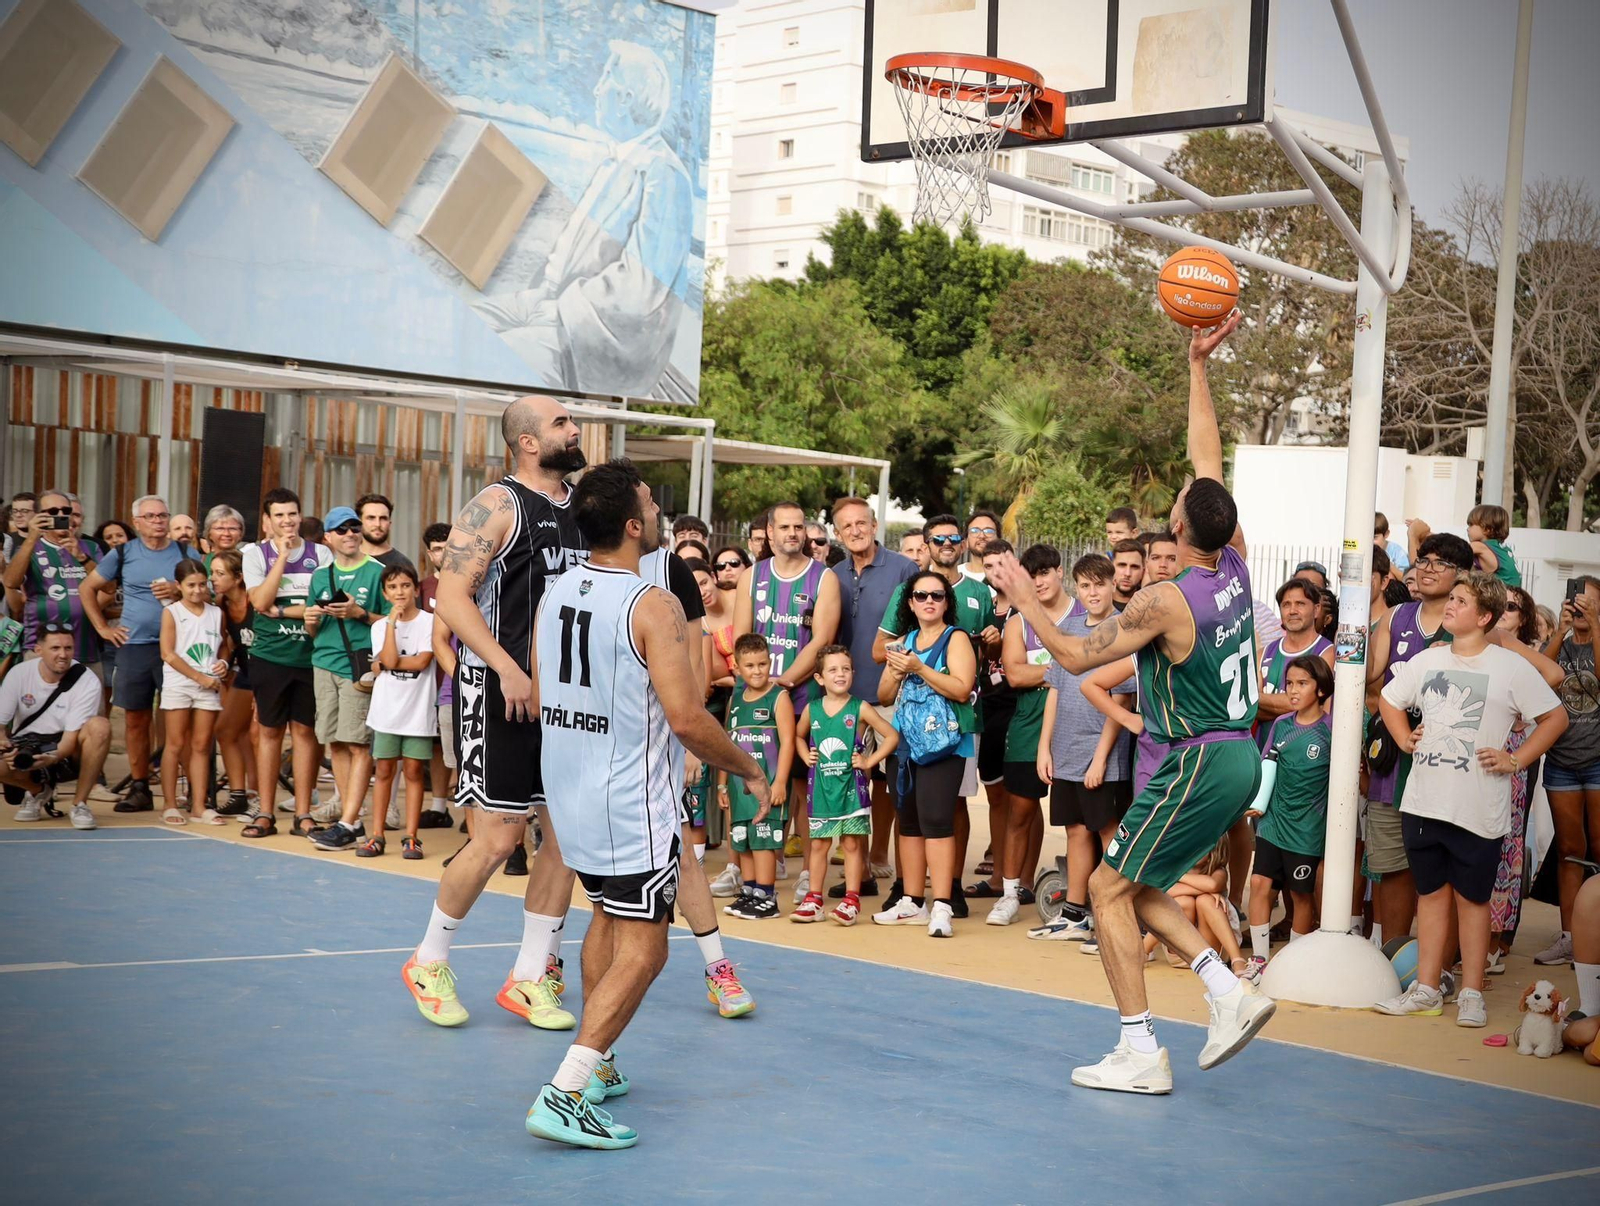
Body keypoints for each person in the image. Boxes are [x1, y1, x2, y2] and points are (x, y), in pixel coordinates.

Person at [988, 311, 1275, 1095]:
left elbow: (1074, 655)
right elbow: (1208, 458)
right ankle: (1227, 989)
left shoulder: (1165, 599)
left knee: (1106, 890)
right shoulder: (1236, 564)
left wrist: (1023, 598)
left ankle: (1141, 1050)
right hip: (1235, 756)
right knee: (1135, 885)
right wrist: (1198, 366)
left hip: (1199, 758)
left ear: (1177, 525)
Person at [523, 459, 771, 1151]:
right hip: (629, 799)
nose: (659, 513)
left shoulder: (555, 590)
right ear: (633, 526)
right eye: (650, 505)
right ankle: (566, 1090)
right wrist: (750, 769)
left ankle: (597, 1061)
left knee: (607, 917)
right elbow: (688, 718)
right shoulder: (650, 604)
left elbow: (542, 694)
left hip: (570, 791)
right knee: (648, 949)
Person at [401, 396, 587, 1031]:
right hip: (500, 691)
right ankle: (428, 959)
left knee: (565, 838)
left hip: (562, 700)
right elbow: (452, 598)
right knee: (497, 839)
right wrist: (508, 667)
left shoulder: (582, 510)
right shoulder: (497, 505)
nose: (575, 430)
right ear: (528, 442)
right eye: (562, 423)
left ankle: (530, 976)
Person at [1376, 572, 1566, 1026]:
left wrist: (1516, 759)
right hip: (1424, 803)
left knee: (1473, 901)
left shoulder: (1510, 666)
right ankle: (1427, 989)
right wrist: (1403, 738)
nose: (1451, 605)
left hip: (1478, 808)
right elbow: (1389, 699)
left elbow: (1555, 717)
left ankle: (1471, 993)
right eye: (1453, 598)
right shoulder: (1427, 659)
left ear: (1484, 616)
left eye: (1461, 601)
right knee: (1430, 898)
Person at [1363, 532, 1476, 945]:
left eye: (1440, 563)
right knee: (1392, 867)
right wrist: (1350, 635)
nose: (1427, 568)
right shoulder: (1396, 616)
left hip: (1448, 766)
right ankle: (1394, 958)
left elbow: (1546, 676)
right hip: (1394, 761)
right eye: (1423, 559)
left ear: (1462, 574)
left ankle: (1440, 969)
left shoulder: (1471, 624)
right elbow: (1369, 674)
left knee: (1443, 871)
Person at [1029, 553, 1134, 942]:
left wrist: (1100, 759)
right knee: (1074, 830)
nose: (1093, 592)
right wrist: (1044, 748)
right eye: (1085, 586)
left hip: (1101, 754)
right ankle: (1074, 914)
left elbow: (1122, 699)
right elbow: (1055, 691)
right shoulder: (1068, 629)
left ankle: (1115, 916)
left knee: (1108, 832)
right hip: (1066, 751)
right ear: (1076, 588)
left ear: (1112, 586)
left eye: (1099, 585)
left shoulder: (1122, 631)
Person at [732, 500, 841, 860]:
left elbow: (822, 640)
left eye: (798, 526)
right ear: (770, 532)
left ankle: (809, 870)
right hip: (754, 697)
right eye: (784, 527)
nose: (792, 533)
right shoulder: (752, 576)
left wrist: (783, 683)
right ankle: (751, 864)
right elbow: (741, 639)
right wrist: (760, 686)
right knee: (747, 778)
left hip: (802, 699)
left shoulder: (823, 577)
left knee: (802, 785)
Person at [875, 570, 979, 937]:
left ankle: (943, 905)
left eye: (937, 595)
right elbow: (884, 695)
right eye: (921, 595)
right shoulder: (903, 642)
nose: (929, 601)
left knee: (937, 821)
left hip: (944, 744)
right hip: (906, 744)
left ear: (947, 602)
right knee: (908, 821)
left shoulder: (956, 639)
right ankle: (912, 900)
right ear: (910, 603)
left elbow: (962, 688)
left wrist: (919, 667)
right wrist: (896, 670)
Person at [79, 495, 191, 814]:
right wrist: (103, 628)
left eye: (162, 515)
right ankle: (140, 787)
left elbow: (207, 592)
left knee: (182, 720)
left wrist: (179, 589)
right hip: (134, 645)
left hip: (178, 647)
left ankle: (192, 789)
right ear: (137, 522)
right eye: (150, 516)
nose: (158, 521)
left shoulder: (185, 552)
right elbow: (87, 589)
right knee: (136, 719)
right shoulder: (123, 552)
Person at [829, 496, 917, 890]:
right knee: (854, 784)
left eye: (861, 523)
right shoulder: (832, 575)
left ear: (874, 525)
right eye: (846, 526)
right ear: (838, 533)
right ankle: (860, 871)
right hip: (848, 697)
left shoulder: (903, 568)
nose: (855, 531)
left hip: (893, 695)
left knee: (896, 785)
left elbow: (918, 630)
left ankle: (893, 869)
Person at [238, 489, 332, 838]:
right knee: (269, 732)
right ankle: (265, 813)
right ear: (268, 520)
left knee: (305, 733)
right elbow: (260, 602)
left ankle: (303, 814)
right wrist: (281, 557)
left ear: (300, 515)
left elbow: (321, 605)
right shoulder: (254, 554)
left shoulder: (320, 553)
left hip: (310, 657)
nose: (287, 521)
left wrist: (280, 610)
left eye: (292, 514)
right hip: (270, 656)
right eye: (279, 515)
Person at [989, 544, 1074, 926]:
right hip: (1027, 728)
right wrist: (1069, 664)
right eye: (1032, 575)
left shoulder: (1083, 614)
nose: (1039, 581)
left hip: (1075, 729)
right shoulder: (1018, 622)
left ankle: (1081, 897)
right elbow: (1015, 674)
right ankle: (1010, 894)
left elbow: (1095, 665)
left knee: (1081, 822)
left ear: (1060, 572)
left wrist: (1042, 671)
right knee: (1020, 811)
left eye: (1045, 572)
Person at [793, 646, 898, 924]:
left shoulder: (860, 707)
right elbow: (798, 736)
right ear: (819, 678)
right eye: (833, 670)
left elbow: (891, 736)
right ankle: (814, 899)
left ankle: (851, 900)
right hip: (821, 789)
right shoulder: (812, 709)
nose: (840, 674)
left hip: (852, 790)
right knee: (819, 844)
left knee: (851, 844)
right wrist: (805, 755)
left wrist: (869, 760)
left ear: (853, 673)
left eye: (845, 669)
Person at [304, 507, 388, 851]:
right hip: (323, 663)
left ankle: (349, 821)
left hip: (358, 668)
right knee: (335, 743)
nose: (351, 533)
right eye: (342, 529)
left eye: (355, 527)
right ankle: (349, 819)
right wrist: (310, 621)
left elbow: (397, 621)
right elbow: (313, 630)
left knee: (358, 744)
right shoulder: (320, 575)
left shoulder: (377, 571)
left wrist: (359, 613)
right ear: (328, 538)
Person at [1245, 656, 1334, 978]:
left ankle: (1293, 963)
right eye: (1290, 684)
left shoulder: (1331, 730)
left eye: (1302, 684)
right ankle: (1259, 959)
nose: (1293, 691)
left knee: (1300, 894)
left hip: (1307, 828)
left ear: (1321, 689)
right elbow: (1268, 763)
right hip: (1273, 822)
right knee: (1259, 882)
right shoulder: (1281, 724)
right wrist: (1258, 803)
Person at [1536, 576, 1600, 966]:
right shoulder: (1559, 644)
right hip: (1561, 762)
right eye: (1576, 601)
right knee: (1569, 851)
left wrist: (1595, 628)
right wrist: (1560, 631)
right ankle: (1569, 938)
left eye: (1588, 602)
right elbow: (1538, 675)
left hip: (1597, 761)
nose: (1580, 607)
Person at [0, 625, 110, 830]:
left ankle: (80, 804)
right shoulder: (19, 673)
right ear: (38, 650)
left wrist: (52, 757)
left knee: (100, 726)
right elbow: (0, 726)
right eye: (55, 648)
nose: (63, 655)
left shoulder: (86, 679)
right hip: (26, 742)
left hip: (66, 747)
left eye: (68, 648)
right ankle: (37, 791)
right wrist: (4, 745)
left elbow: (69, 740)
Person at [360, 565, 436, 859]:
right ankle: (376, 835)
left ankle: (411, 837)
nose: (400, 592)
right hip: (386, 712)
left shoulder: (429, 622)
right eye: (392, 587)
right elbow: (390, 660)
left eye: (405, 585)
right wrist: (392, 623)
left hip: (417, 711)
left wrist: (385, 664)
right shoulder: (380, 627)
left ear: (416, 589)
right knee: (384, 770)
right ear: (385, 593)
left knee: (414, 771)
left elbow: (421, 662)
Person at [719, 633, 795, 920]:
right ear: (737, 668)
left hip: (768, 784)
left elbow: (788, 742)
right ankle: (750, 891)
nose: (757, 671)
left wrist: (780, 781)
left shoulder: (779, 698)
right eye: (750, 666)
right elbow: (726, 745)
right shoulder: (736, 700)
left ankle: (767, 895)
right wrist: (722, 785)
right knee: (744, 838)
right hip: (740, 788)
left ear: (770, 662)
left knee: (763, 838)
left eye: (762, 664)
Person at [157, 558, 228, 826]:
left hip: (209, 684)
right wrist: (200, 678)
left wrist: (224, 663)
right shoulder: (172, 612)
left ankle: (199, 806)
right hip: (179, 683)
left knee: (201, 745)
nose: (197, 590)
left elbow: (224, 645)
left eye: (201, 584)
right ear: (178, 585)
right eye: (191, 585)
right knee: (175, 744)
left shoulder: (216, 613)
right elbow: (167, 653)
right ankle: (170, 804)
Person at [2, 489, 104, 672]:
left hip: (85, 649)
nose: (61, 515)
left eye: (66, 511)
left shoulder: (91, 547)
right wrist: (32, 537)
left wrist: (83, 558)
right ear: (38, 516)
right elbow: (10, 582)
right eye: (53, 511)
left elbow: (109, 587)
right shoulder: (29, 548)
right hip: (40, 650)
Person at [1255, 578, 1335, 747]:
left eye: (1300, 604)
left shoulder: (1327, 653)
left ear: (1316, 609)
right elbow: (1248, 710)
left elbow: (1314, 708)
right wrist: (1295, 705)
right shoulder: (1263, 654)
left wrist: (1258, 699)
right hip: (1263, 754)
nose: (1292, 611)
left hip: (1306, 755)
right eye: (1286, 605)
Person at [209, 549, 256, 817]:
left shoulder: (255, 599)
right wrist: (225, 663)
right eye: (212, 573)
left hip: (270, 670)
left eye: (220, 573)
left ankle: (257, 795)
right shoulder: (222, 604)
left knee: (259, 735)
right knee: (226, 730)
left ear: (238, 577)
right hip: (246, 671)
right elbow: (227, 642)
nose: (213, 579)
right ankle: (239, 795)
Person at [417, 521, 455, 831]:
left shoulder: (471, 584)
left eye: (449, 546)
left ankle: (473, 811)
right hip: (429, 678)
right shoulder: (423, 587)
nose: (445, 553)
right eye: (438, 549)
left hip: (456, 679)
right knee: (436, 746)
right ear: (430, 554)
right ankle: (439, 806)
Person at [356, 494, 414, 574]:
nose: (377, 524)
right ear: (359, 522)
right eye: (371, 518)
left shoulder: (402, 564)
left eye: (383, 518)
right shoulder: (346, 560)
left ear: (389, 523)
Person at [962, 510, 1001, 584]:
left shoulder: (1009, 577)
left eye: (989, 531)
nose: (982, 536)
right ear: (966, 541)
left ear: (998, 540)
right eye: (974, 531)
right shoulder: (955, 575)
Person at [1110, 541, 1145, 611]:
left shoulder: (1150, 608)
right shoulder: (1095, 604)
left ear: (1143, 571)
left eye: (1134, 567)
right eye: (1122, 565)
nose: (1127, 573)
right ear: (1111, 567)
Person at [1375, 513, 1409, 579]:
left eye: (1375, 537)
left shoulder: (1396, 552)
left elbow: (1405, 578)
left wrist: (1389, 565)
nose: (1371, 542)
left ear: (1386, 534)